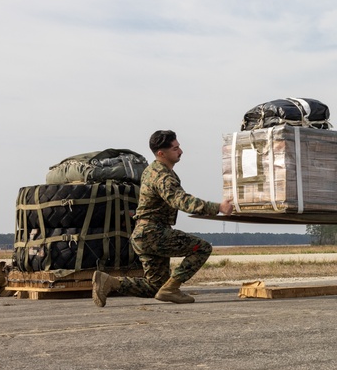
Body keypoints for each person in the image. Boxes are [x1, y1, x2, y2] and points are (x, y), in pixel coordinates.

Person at [92, 130, 233, 306]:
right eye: (175, 148)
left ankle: (110, 282)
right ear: (161, 153)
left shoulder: (151, 171)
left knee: (155, 287)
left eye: (179, 147)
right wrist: (218, 207)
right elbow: (180, 200)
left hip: (144, 234)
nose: (180, 151)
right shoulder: (163, 176)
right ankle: (172, 288)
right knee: (202, 248)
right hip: (153, 233)